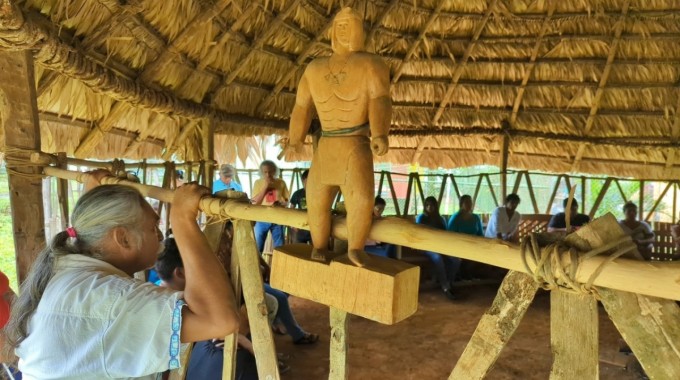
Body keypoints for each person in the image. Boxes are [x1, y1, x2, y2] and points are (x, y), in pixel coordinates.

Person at [5, 171, 239, 379]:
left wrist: (96, 194)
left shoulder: (65, 268)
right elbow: (219, 320)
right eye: (153, 226)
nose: (159, 235)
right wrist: (182, 222)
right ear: (123, 238)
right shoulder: (108, 297)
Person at [286, 7, 392, 267]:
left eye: (349, 25)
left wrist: (379, 133)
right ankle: (319, 245)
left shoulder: (371, 64)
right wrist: (294, 138)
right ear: (332, 31)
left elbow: (380, 99)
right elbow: (301, 106)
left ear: (360, 31)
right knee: (316, 199)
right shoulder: (314, 68)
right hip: (326, 145)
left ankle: (356, 247)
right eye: (339, 25)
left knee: (361, 199)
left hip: (355, 143)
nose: (343, 30)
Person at [155, 238, 288, 379]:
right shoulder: (174, 309)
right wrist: (250, 346)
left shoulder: (176, 293)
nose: (202, 271)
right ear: (180, 273)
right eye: (197, 266)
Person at [416, 197, 459, 300]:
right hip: (425, 246)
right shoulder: (421, 218)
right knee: (437, 258)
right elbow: (419, 234)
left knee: (456, 260)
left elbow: (445, 234)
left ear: (436, 206)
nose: (430, 207)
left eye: (432, 205)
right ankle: (445, 287)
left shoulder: (440, 219)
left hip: (440, 246)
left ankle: (449, 282)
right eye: (427, 205)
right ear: (425, 206)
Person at [251, 161, 290, 253]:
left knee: (280, 248)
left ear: (275, 171)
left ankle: (279, 266)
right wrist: (265, 187)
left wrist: (281, 203)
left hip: (277, 219)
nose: (268, 174)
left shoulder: (281, 183)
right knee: (258, 247)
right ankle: (258, 266)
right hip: (261, 219)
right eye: (265, 172)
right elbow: (255, 203)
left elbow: (287, 201)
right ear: (261, 172)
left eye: (270, 171)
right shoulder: (258, 183)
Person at [289, 169, 312, 244]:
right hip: (300, 227)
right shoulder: (297, 193)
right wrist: (293, 225)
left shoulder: (318, 195)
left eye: (310, 182)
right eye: (305, 182)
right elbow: (291, 210)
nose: (307, 185)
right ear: (302, 181)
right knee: (298, 249)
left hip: (314, 227)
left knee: (317, 248)